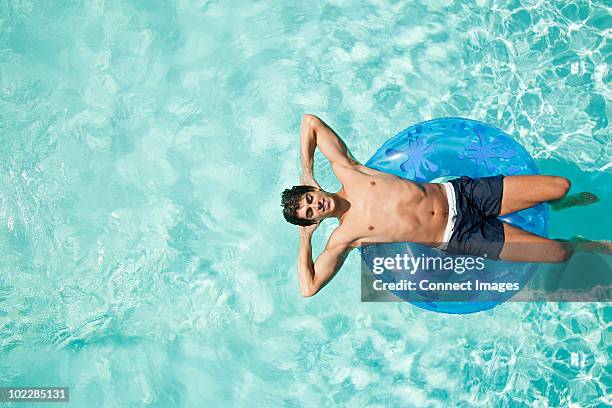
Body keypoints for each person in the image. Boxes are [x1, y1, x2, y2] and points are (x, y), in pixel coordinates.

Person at [281, 114, 609, 297]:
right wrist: (305, 237)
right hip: (461, 235)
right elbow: (308, 287)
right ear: (314, 220)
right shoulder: (344, 238)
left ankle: (561, 205)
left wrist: (306, 171)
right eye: (310, 213)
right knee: (559, 253)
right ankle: (589, 245)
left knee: (559, 186)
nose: (316, 205)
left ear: (313, 189)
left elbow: (309, 122)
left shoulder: (348, 170)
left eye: (310, 198)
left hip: (462, 194)